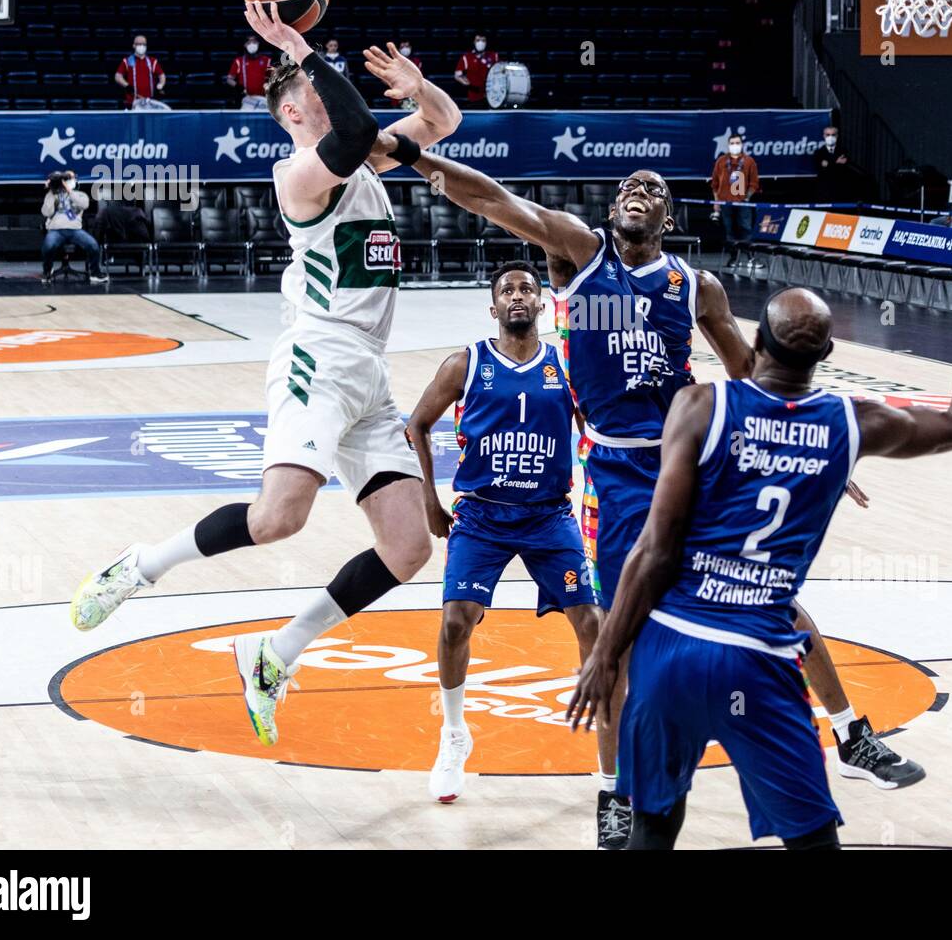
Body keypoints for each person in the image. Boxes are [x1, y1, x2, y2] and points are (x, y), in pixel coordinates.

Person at [383, 138, 924, 841]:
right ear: (613, 210)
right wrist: (412, 154)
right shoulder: (581, 254)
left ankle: (852, 736)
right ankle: (617, 792)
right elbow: (491, 197)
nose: (639, 188)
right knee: (619, 641)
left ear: (667, 216)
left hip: (688, 463)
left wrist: (817, 444)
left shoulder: (697, 286)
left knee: (771, 601)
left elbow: (753, 372)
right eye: (628, 186)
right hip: (614, 473)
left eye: (653, 187)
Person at [70, 8, 463, 751]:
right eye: (318, 85)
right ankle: (139, 567)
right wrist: (300, 49)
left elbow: (443, 121)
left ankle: (276, 653)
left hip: (366, 372)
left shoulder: (368, 156)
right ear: (291, 108)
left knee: (409, 548)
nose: (335, 90)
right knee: (280, 517)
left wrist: (420, 87)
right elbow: (347, 133)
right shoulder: (300, 175)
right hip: (318, 357)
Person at [567, 246, 952, 849]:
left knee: (652, 831)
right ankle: (849, 739)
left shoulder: (701, 405)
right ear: (829, 354)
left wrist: (606, 653)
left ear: (755, 342)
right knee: (813, 842)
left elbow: (653, 552)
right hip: (760, 659)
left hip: (670, 653)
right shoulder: (851, 422)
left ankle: (849, 736)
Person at [405, 261, 605, 807]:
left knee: (590, 620)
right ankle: (453, 735)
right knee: (454, 623)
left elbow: (599, 435)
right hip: (481, 518)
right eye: (507, 291)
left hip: (548, 516)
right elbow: (416, 424)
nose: (518, 296)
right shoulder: (466, 363)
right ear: (493, 308)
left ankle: (609, 748)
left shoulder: (565, 367)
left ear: (541, 305)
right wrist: (429, 498)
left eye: (527, 289)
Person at [41, 170, 105, 285]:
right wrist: (51, 192)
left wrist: (69, 191)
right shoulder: (52, 195)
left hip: (75, 230)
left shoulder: (80, 195)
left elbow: (84, 205)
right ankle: (47, 271)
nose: (67, 181)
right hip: (56, 230)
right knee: (48, 247)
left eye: (70, 179)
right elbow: (46, 213)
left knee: (93, 246)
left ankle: (95, 273)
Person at [710, 133, 760, 262]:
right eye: (732, 143)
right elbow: (714, 184)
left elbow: (754, 183)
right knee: (728, 230)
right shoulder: (721, 161)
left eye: (737, 143)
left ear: (742, 144)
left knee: (746, 229)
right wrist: (716, 202)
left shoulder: (749, 161)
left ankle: (750, 257)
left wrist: (747, 197)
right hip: (725, 202)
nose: (735, 146)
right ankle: (733, 257)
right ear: (728, 145)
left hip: (743, 203)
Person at [114, 35, 165, 109]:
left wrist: (160, 85)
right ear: (134, 45)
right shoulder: (127, 61)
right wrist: (126, 85)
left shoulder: (153, 61)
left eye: (144, 44)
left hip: (149, 103)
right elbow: (118, 76)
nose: (142, 46)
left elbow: (162, 75)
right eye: (139, 44)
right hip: (132, 103)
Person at [227, 36, 272, 110]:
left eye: (254, 42)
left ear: (258, 44)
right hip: (247, 99)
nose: (252, 44)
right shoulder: (239, 61)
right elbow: (229, 79)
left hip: (263, 99)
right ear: (245, 45)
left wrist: (268, 85)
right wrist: (237, 86)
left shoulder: (267, 60)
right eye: (249, 42)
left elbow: (273, 78)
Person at [454, 32, 498, 107]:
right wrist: (466, 82)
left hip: (492, 96)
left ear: (486, 42)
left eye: (483, 40)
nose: (480, 43)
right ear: (474, 42)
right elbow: (457, 75)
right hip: (474, 96)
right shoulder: (467, 57)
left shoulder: (494, 56)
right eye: (478, 40)